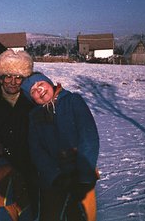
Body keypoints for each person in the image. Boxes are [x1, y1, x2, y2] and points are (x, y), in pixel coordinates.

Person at [21, 72, 100, 221]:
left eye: (40, 84)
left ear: (49, 82)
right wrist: (54, 176)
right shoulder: (34, 116)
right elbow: (36, 150)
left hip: (81, 175)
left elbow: (88, 137)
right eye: (33, 91)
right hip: (54, 180)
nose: (39, 90)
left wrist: (83, 176)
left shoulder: (72, 101)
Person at [0, 49, 39, 219]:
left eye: (18, 77)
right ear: (0, 78)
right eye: (8, 76)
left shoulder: (32, 101)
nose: (13, 82)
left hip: (27, 169)